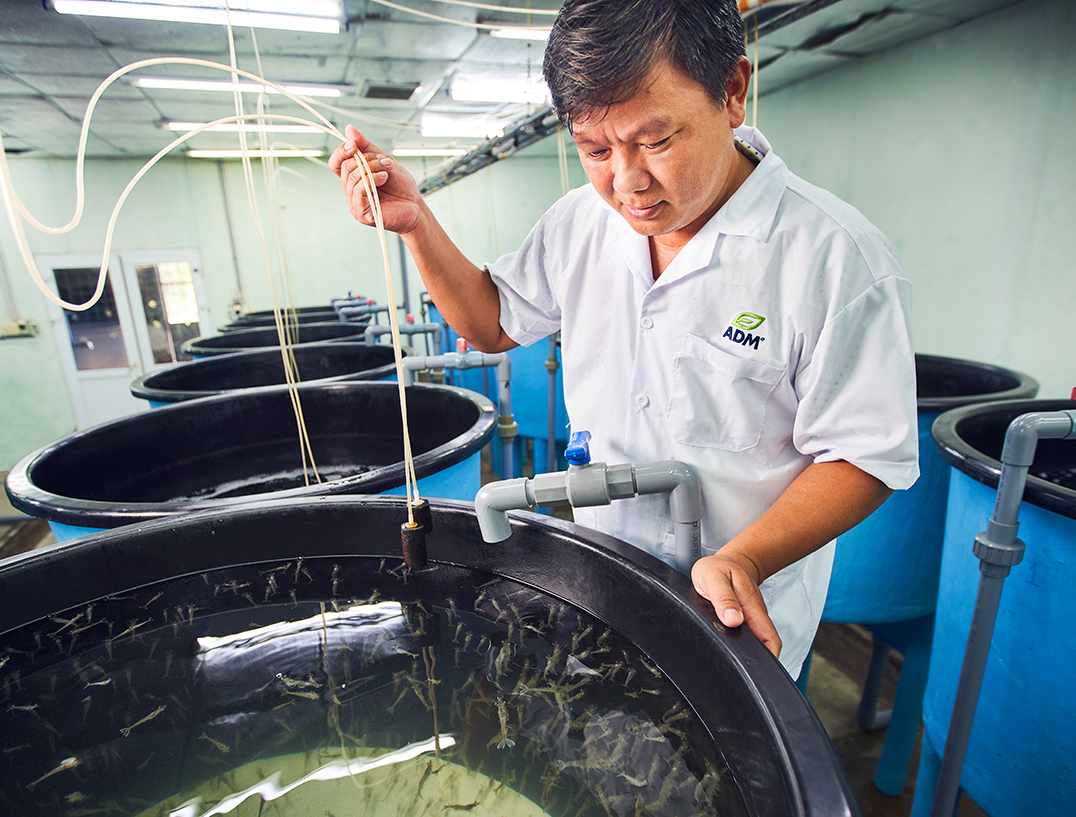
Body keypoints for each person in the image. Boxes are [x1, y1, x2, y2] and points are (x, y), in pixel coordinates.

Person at [329, 0, 918, 679]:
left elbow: (865, 456)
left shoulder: (834, 259)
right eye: (596, 150)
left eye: (657, 141)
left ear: (731, 92)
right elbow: (491, 322)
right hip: (601, 580)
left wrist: (746, 556)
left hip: (736, 615)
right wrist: (415, 223)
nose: (628, 181)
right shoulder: (582, 222)